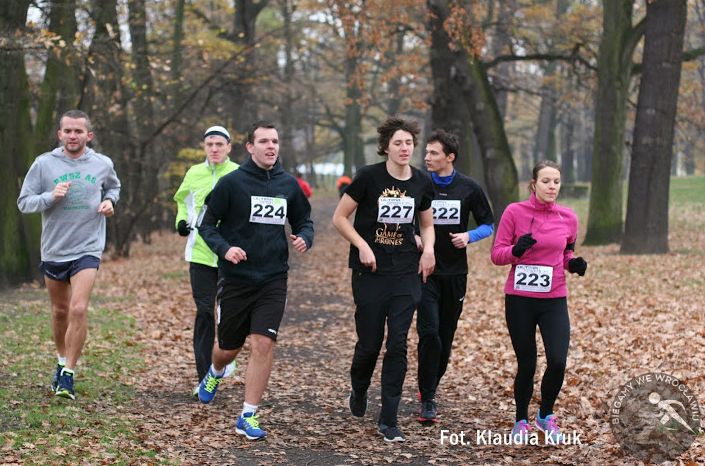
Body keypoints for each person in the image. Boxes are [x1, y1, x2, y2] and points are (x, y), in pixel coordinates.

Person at [196, 120, 314, 441]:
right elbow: (206, 224)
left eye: (274, 141)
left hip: (273, 278)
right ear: (250, 147)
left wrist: (305, 236)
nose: (271, 146)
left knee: (263, 343)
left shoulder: (288, 184)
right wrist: (225, 249)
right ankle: (215, 371)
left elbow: (304, 220)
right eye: (263, 141)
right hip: (236, 279)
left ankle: (248, 415)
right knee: (228, 348)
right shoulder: (232, 184)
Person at [332, 117, 435, 442]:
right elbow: (339, 217)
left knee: (398, 343)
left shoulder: (421, 181)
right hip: (371, 271)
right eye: (398, 143)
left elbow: (427, 224)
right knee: (369, 344)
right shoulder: (368, 177)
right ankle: (359, 388)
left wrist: (429, 249)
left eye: (409, 143)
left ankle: (389, 419)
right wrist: (362, 245)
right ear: (386, 147)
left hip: (405, 271)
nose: (404, 148)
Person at [17, 109, 121, 400]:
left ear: (89, 135)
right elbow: (24, 202)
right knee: (60, 311)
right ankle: (61, 361)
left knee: (78, 308)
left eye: (78, 131)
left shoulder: (102, 163)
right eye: (68, 131)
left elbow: (113, 187)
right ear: (59, 134)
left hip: (87, 247)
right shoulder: (44, 164)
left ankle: (69, 375)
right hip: (54, 248)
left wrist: (110, 201)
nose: (73, 136)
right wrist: (51, 196)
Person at [490, 160, 587, 443]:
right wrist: (516, 250)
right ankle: (521, 420)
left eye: (556, 181)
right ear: (533, 184)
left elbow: (566, 253)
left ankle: (545, 415)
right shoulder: (514, 212)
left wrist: (574, 264)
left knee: (557, 361)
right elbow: (497, 255)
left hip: (554, 298)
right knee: (527, 363)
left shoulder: (568, 218)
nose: (552, 186)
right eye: (546, 181)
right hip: (520, 299)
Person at [415, 130, 494, 423]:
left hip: (456, 273)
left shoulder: (469, 188)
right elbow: (407, 221)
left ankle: (431, 385)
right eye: (426, 152)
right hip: (425, 271)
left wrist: (469, 236)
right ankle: (428, 397)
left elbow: (488, 224)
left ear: (450, 157)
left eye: (433, 153)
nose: (427, 157)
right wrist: (415, 238)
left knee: (445, 337)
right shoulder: (419, 184)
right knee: (429, 332)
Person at [173, 125, 239, 396]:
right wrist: (181, 221)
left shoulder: (238, 174)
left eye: (219, 144)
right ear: (204, 147)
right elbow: (183, 202)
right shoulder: (194, 173)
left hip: (230, 254)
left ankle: (225, 356)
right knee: (205, 312)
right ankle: (204, 377)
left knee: (228, 313)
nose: (214, 149)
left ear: (229, 147)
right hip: (200, 253)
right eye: (210, 144)